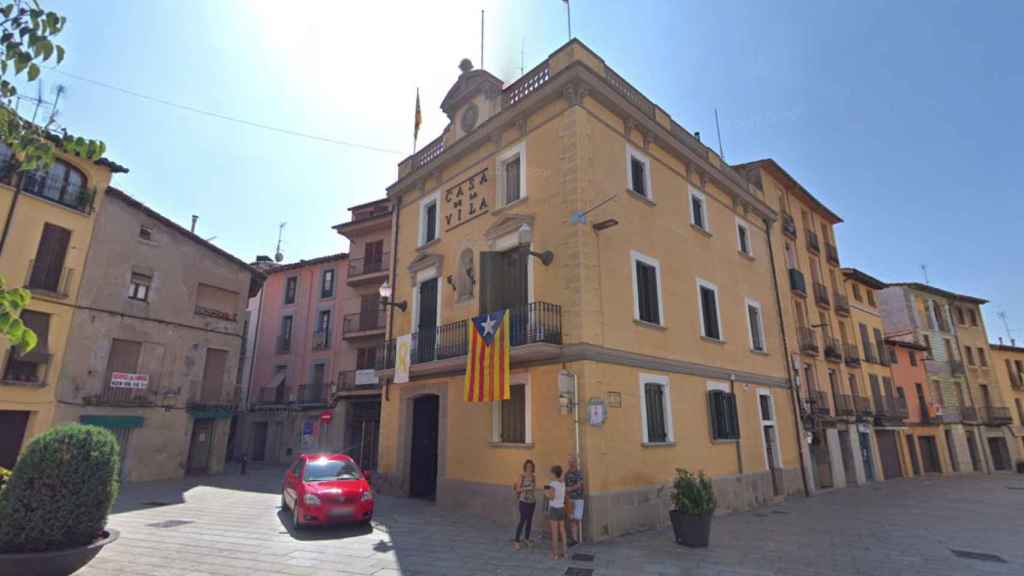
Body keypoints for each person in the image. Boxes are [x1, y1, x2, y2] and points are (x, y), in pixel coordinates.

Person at [544, 465, 568, 560]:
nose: (550, 474)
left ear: (554, 474)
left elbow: (551, 497)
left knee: (554, 533)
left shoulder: (553, 483)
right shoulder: (562, 483)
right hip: (561, 508)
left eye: (551, 473)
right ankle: (565, 553)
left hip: (554, 509)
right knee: (563, 531)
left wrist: (546, 493)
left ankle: (555, 554)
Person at [512, 459, 537, 550]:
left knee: (529, 521)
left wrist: (532, 488)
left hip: (532, 501)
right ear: (525, 467)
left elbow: (534, 488)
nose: (529, 468)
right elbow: (517, 489)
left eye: (531, 466)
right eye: (528, 466)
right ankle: (516, 541)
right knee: (522, 520)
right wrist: (526, 488)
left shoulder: (533, 476)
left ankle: (526, 538)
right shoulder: (521, 476)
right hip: (523, 501)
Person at [565, 454, 584, 546]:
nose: (571, 463)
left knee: (577, 518)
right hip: (570, 499)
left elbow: (579, 485)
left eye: (572, 461)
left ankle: (576, 538)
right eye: (570, 461)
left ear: (576, 462)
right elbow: (564, 486)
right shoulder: (567, 473)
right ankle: (574, 539)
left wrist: (570, 489)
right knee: (571, 519)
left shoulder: (578, 473)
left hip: (578, 498)